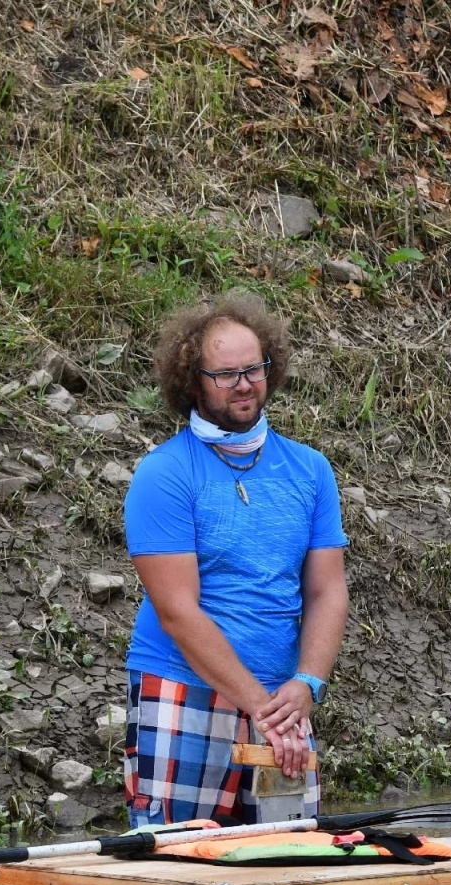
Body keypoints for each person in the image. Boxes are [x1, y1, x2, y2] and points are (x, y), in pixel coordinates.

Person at [121, 292, 349, 828]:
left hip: (282, 700)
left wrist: (307, 685)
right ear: (193, 381)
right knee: (177, 866)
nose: (244, 384)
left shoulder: (311, 470)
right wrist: (259, 706)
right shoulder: (165, 474)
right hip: (183, 689)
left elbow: (327, 591)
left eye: (254, 369)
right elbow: (178, 611)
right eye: (226, 374)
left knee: (291, 864)